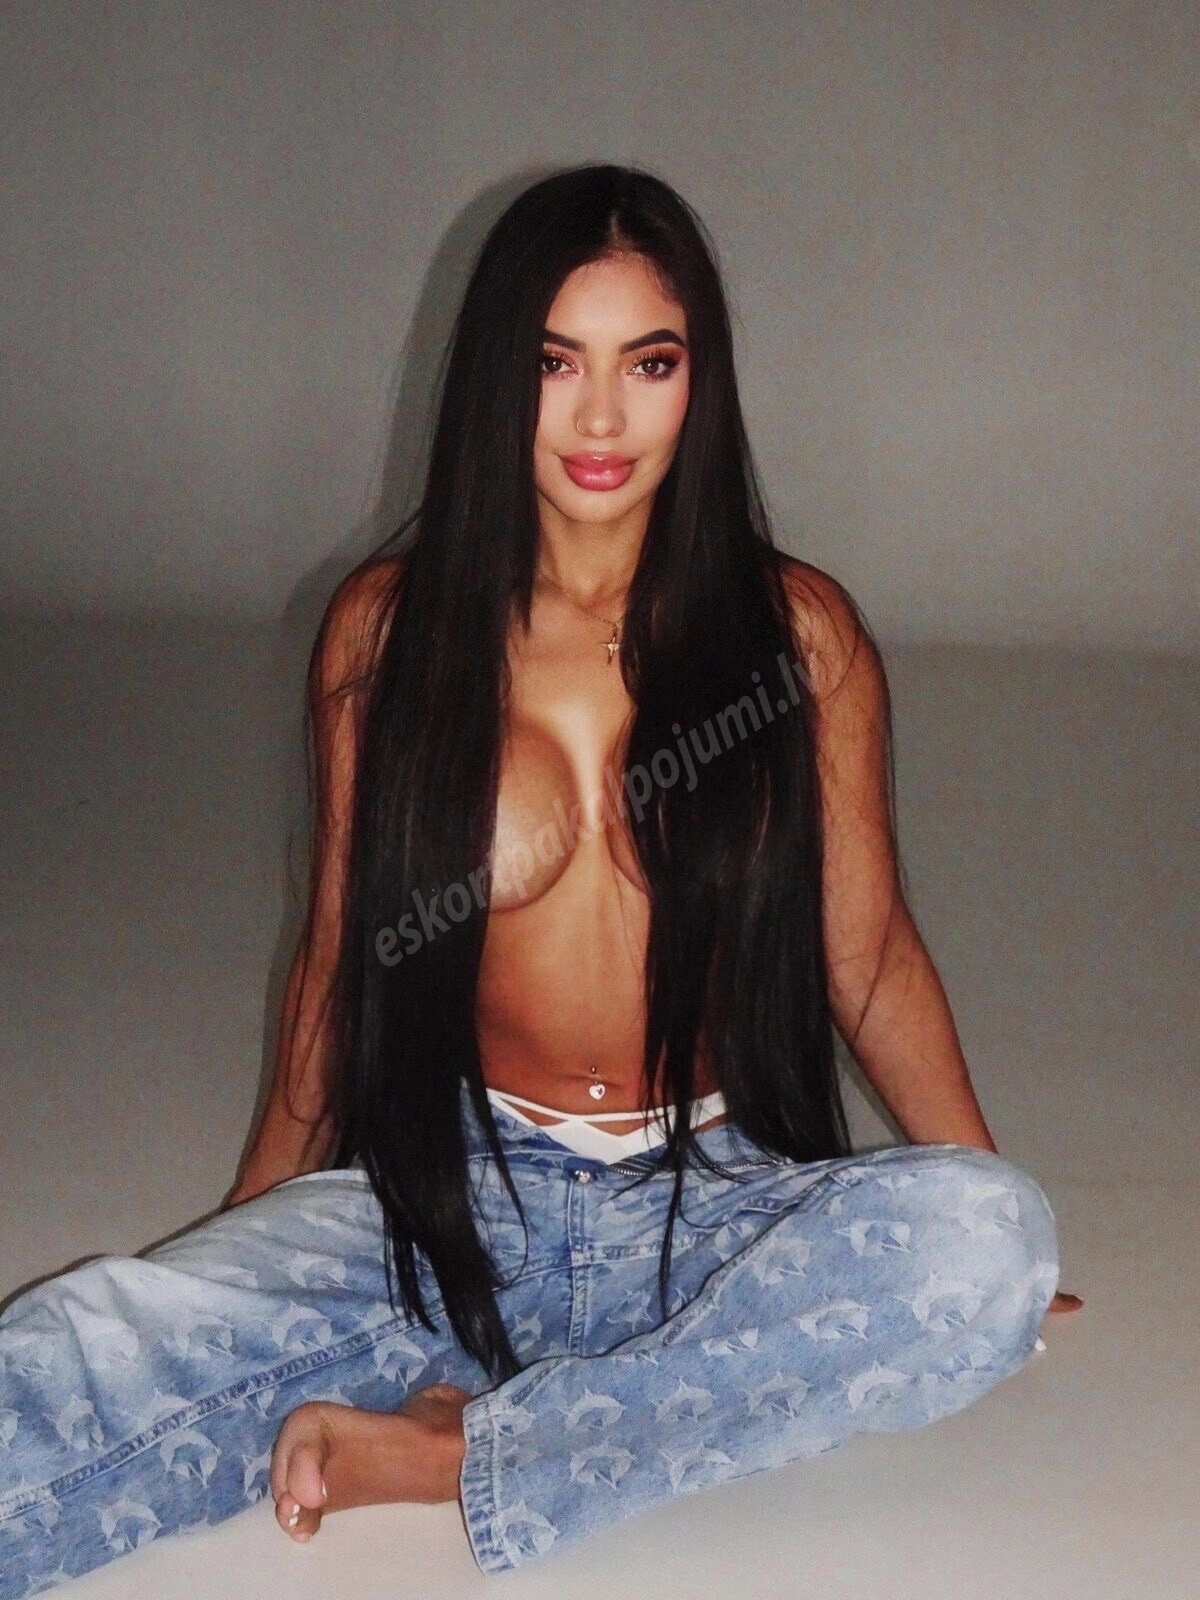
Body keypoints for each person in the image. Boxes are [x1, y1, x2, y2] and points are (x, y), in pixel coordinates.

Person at [0, 162, 1082, 1594]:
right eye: (554, 363)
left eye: (650, 363)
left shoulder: (800, 640)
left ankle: (460, 1454)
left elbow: (868, 959)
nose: (600, 419)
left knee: (987, 1244)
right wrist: (235, 1245)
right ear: (492, 378)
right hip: (451, 1211)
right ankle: (575, 1415)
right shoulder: (387, 636)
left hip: (711, 1215)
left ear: (702, 381)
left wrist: (981, 1197)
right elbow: (336, 966)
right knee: (69, 1357)